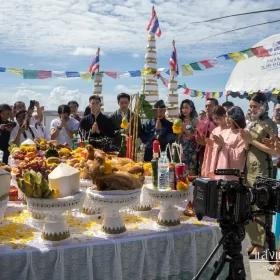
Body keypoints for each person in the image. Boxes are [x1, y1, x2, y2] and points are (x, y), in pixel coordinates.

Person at [239, 92, 277, 259]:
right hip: (248, 167)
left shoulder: (270, 125)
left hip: (263, 168)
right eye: (251, 106)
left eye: (255, 106)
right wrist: (245, 141)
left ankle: (262, 244)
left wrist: (252, 141)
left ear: (264, 106)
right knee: (249, 205)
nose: (252, 109)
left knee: (261, 205)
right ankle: (254, 241)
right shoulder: (251, 124)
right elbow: (247, 146)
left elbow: (275, 150)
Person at [202, 106, 247, 180]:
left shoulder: (241, 134)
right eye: (226, 116)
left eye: (229, 117)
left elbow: (239, 156)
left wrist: (223, 145)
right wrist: (214, 145)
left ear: (236, 118)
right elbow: (217, 151)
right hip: (220, 168)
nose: (227, 119)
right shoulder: (223, 132)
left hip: (231, 174)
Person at [194, 98, 218, 174]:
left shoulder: (220, 123)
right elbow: (195, 138)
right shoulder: (201, 122)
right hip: (202, 157)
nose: (207, 108)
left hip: (215, 158)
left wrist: (206, 143)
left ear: (216, 107)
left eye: (210, 106)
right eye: (206, 106)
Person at [178, 99, 199, 175]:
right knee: (180, 172)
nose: (184, 110)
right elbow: (177, 138)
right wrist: (179, 131)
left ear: (191, 109)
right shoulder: (179, 121)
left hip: (191, 151)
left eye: (186, 108)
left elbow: (193, 137)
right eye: (182, 108)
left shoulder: (195, 121)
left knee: (190, 173)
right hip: (181, 151)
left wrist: (185, 130)